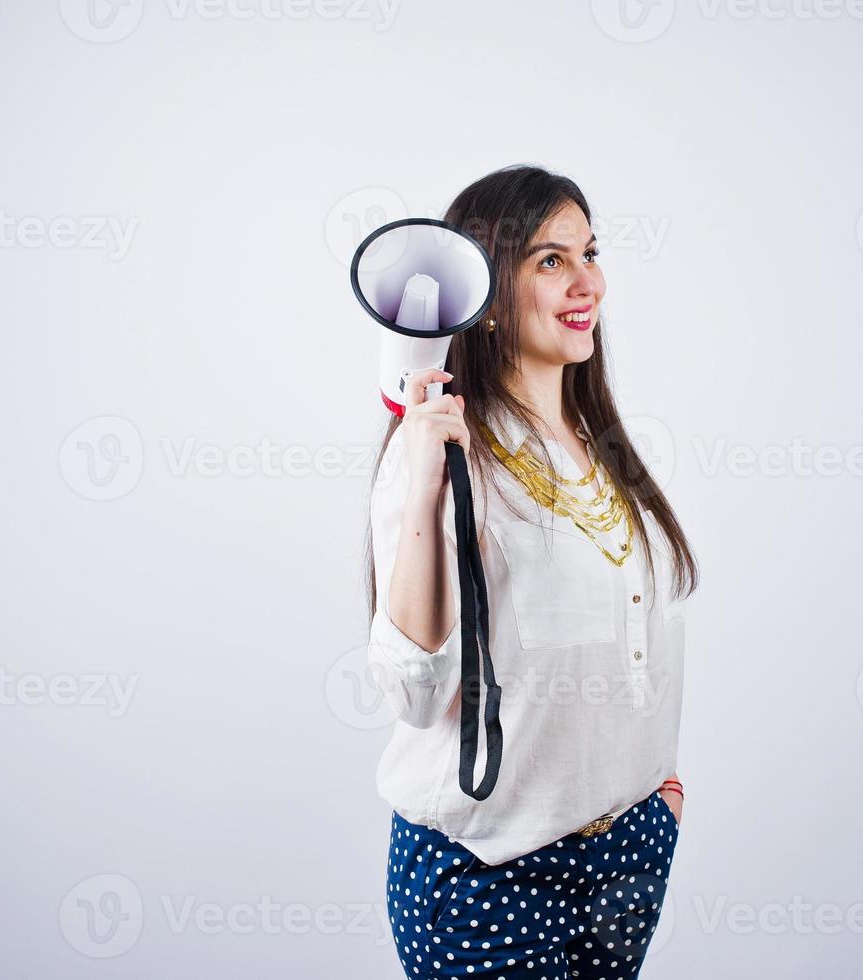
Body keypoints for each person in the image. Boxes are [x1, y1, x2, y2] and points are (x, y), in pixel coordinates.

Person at [363, 164, 699, 979]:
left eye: (590, 252)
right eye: (550, 261)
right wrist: (424, 483)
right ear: (482, 296)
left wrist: (651, 793)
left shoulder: (600, 449)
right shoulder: (444, 460)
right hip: (490, 877)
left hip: (623, 855)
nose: (588, 282)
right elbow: (410, 692)